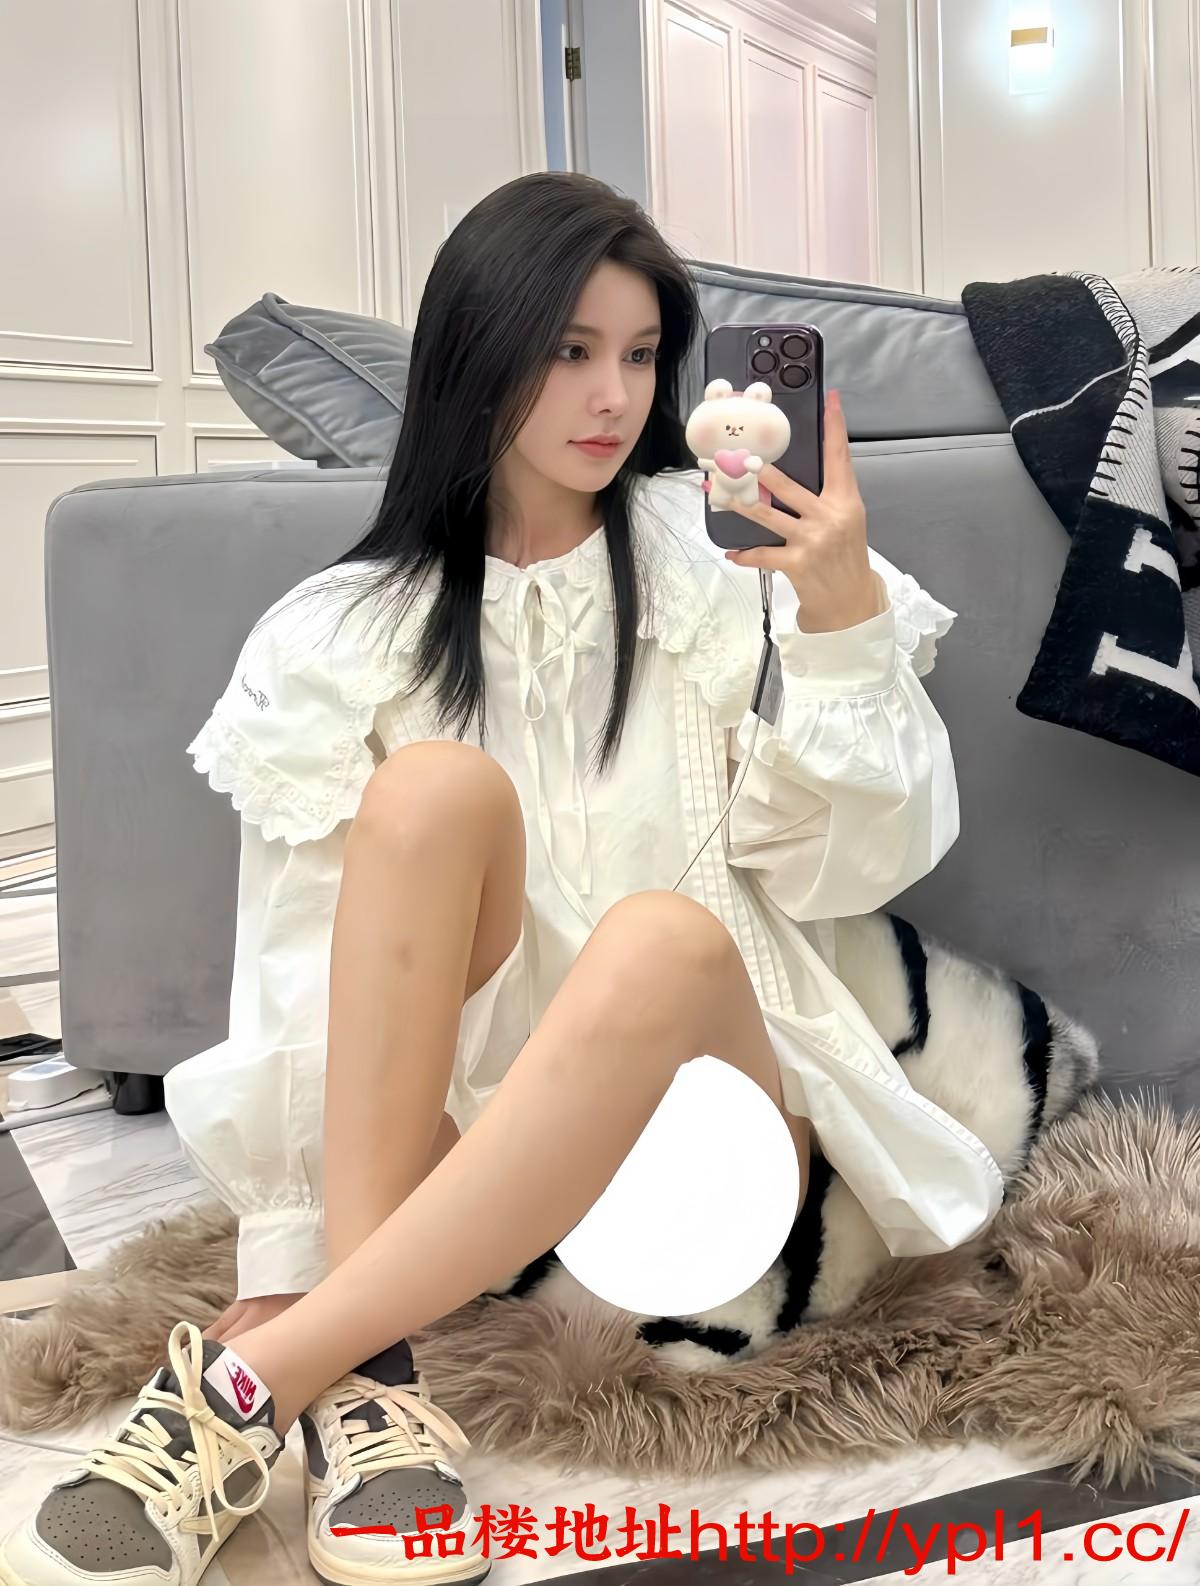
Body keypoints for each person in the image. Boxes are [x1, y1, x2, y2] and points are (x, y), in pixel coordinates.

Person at [0, 171, 1003, 1586]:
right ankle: (374, 1388)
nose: (612, 395)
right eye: (568, 349)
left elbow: (859, 860)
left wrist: (838, 623)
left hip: (703, 1168)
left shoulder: (722, 561)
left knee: (660, 937)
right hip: (459, 1179)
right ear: (480, 353)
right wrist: (285, 1248)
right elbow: (298, 975)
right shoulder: (339, 634)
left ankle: (262, 1378)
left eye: (641, 355)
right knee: (430, 788)